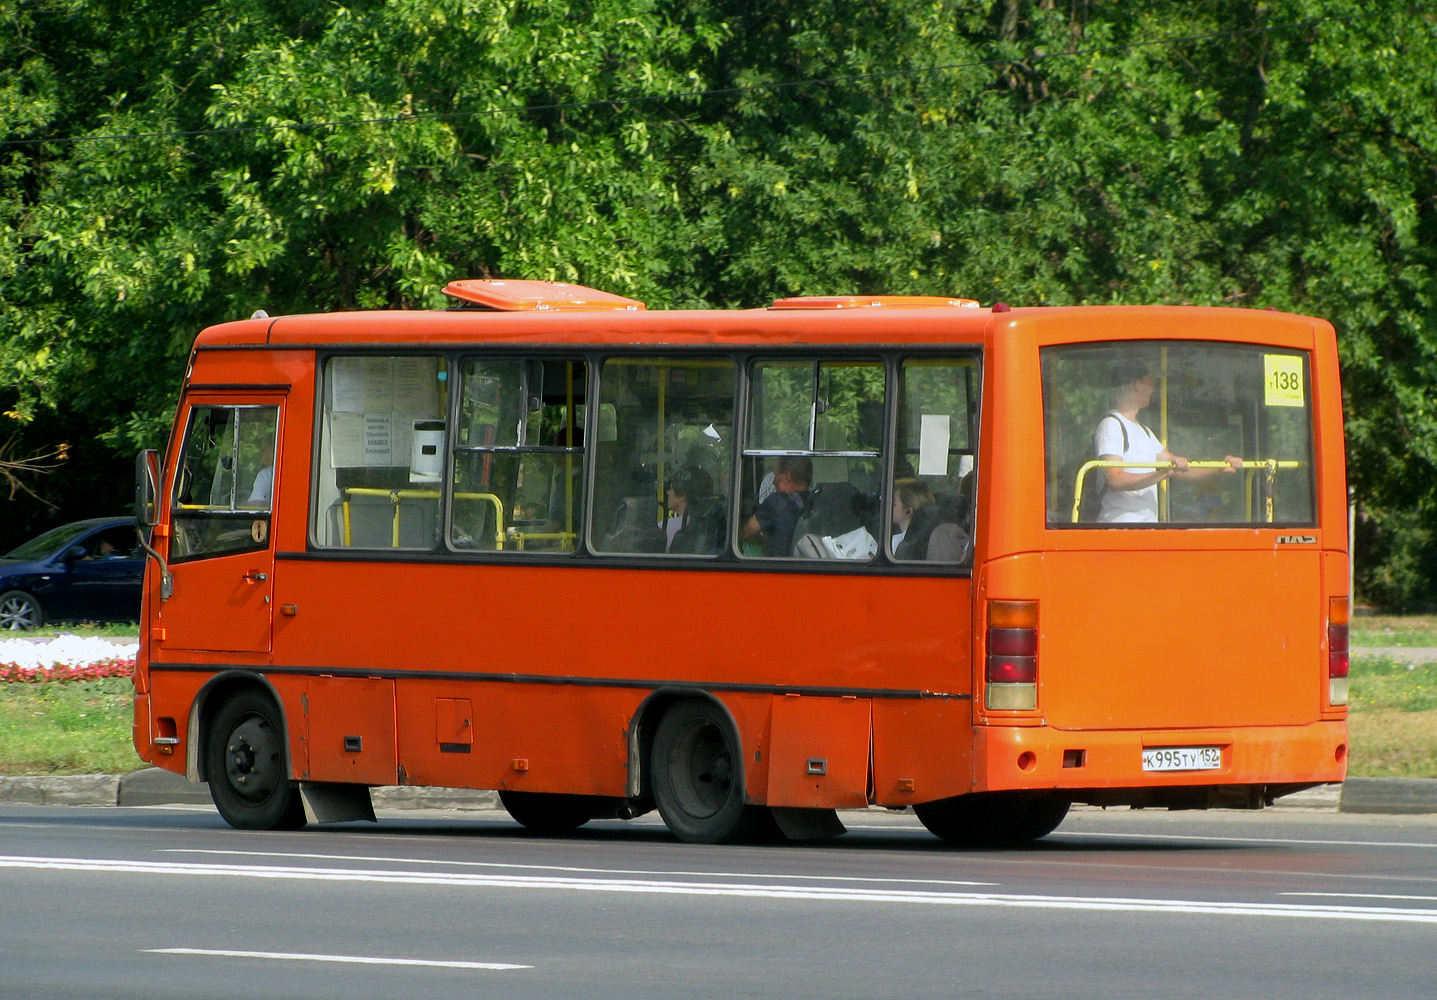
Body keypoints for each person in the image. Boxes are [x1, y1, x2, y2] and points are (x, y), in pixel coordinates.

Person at [1096, 362, 1240, 523]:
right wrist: (1163, 472)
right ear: (1137, 385)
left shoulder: (1145, 432)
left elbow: (1179, 469)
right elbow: (1116, 480)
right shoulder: (1111, 425)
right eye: (1150, 383)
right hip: (1119, 526)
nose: (1153, 390)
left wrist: (1220, 468)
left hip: (1145, 526)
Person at [739, 456, 812, 556]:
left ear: (786, 476)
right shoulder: (814, 501)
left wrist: (764, 541)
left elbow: (746, 532)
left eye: (775, 474)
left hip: (777, 567)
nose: (773, 482)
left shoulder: (777, 502)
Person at [666, 466, 725, 555]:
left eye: (671, 488)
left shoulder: (666, 527)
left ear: (682, 496)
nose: (668, 492)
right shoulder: (712, 523)